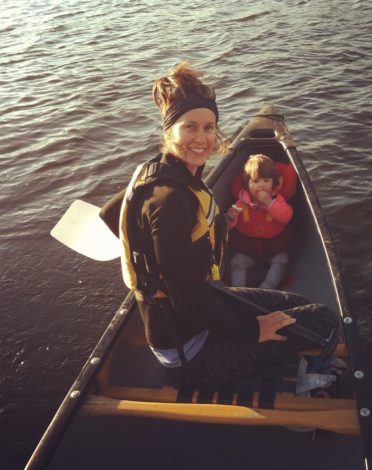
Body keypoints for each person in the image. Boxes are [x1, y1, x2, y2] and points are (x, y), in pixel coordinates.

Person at [101, 61, 338, 387]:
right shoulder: (171, 202)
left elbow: (111, 215)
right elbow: (186, 300)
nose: (202, 138)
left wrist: (153, 260)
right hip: (192, 354)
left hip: (201, 308)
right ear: (170, 131)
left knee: (297, 305)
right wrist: (254, 330)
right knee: (323, 319)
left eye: (209, 127)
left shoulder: (155, 170)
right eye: (190, 127)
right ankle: (290, 377)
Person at [227, 154, 293, 289]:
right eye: (256, 181)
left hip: (274, 252)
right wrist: (231, 219)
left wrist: (269, 203)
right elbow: (229, 227)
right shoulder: (240, 204)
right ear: (247, 184)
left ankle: (267, 288)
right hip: (248, 253)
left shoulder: (277, 200)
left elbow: (286, 217)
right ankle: (239, 289)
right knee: (236, 262)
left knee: (281, 260)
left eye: (266, 180)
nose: (261, 185)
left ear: (274, 183)